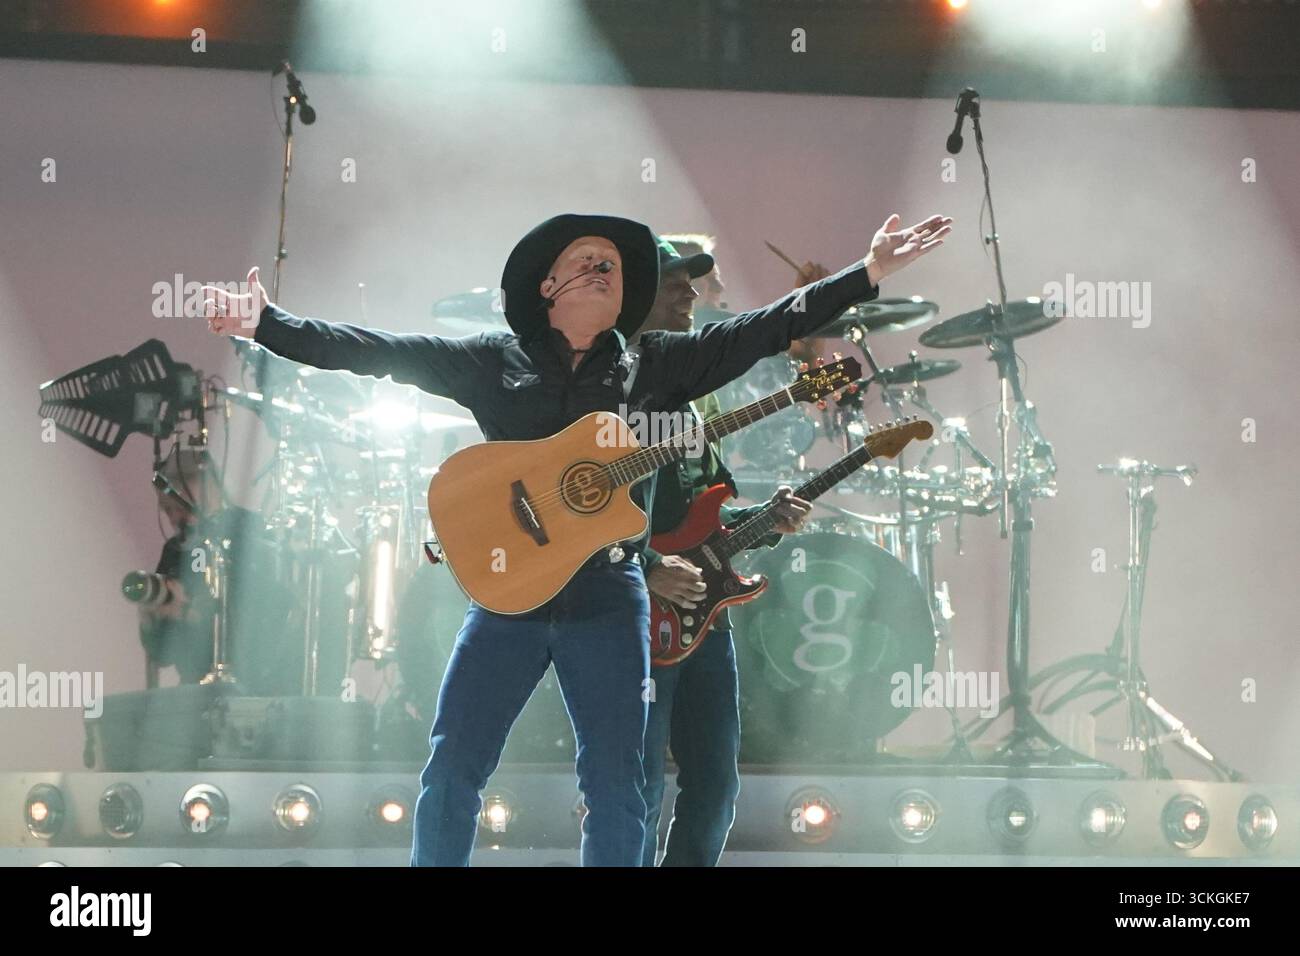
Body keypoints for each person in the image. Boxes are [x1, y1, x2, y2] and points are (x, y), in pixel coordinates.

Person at [203, 210, 952, 866]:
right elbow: (377, 351)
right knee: (454, 763)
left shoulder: (657, 365)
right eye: (584, 263)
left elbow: (764, 330)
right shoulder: (492, 361)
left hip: (607, 591)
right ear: (547, 288)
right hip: (509, 595)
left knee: (617, 779)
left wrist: (867, 272)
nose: (603, 271)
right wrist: (266, 325)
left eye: (613, 267)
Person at [633, 236, 814, 866]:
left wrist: (765, 519)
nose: (691, 292)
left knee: (715, 780)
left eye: (692, 281)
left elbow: (704, 513)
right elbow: (580, 520)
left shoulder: (697, 398)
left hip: (704, 618)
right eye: (673, 282)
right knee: (637, 784)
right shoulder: (607, 393)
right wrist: (649, 568)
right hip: (635, 611)